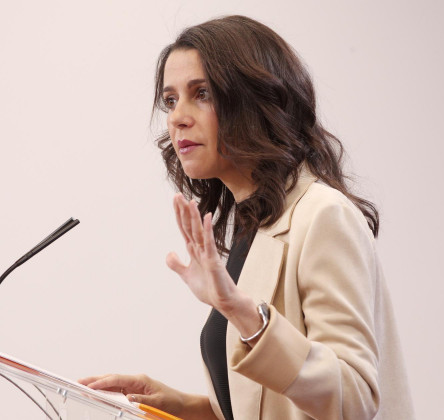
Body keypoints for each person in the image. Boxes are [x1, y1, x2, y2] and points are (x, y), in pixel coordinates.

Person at [79, 15, 414, 420]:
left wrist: (243, 312)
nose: (177, 117)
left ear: (252, 100)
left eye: (201, 93)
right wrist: (183, 408)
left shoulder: (323, 215)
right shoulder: (252, 226)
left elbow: (353, 400)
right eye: (170, 100)